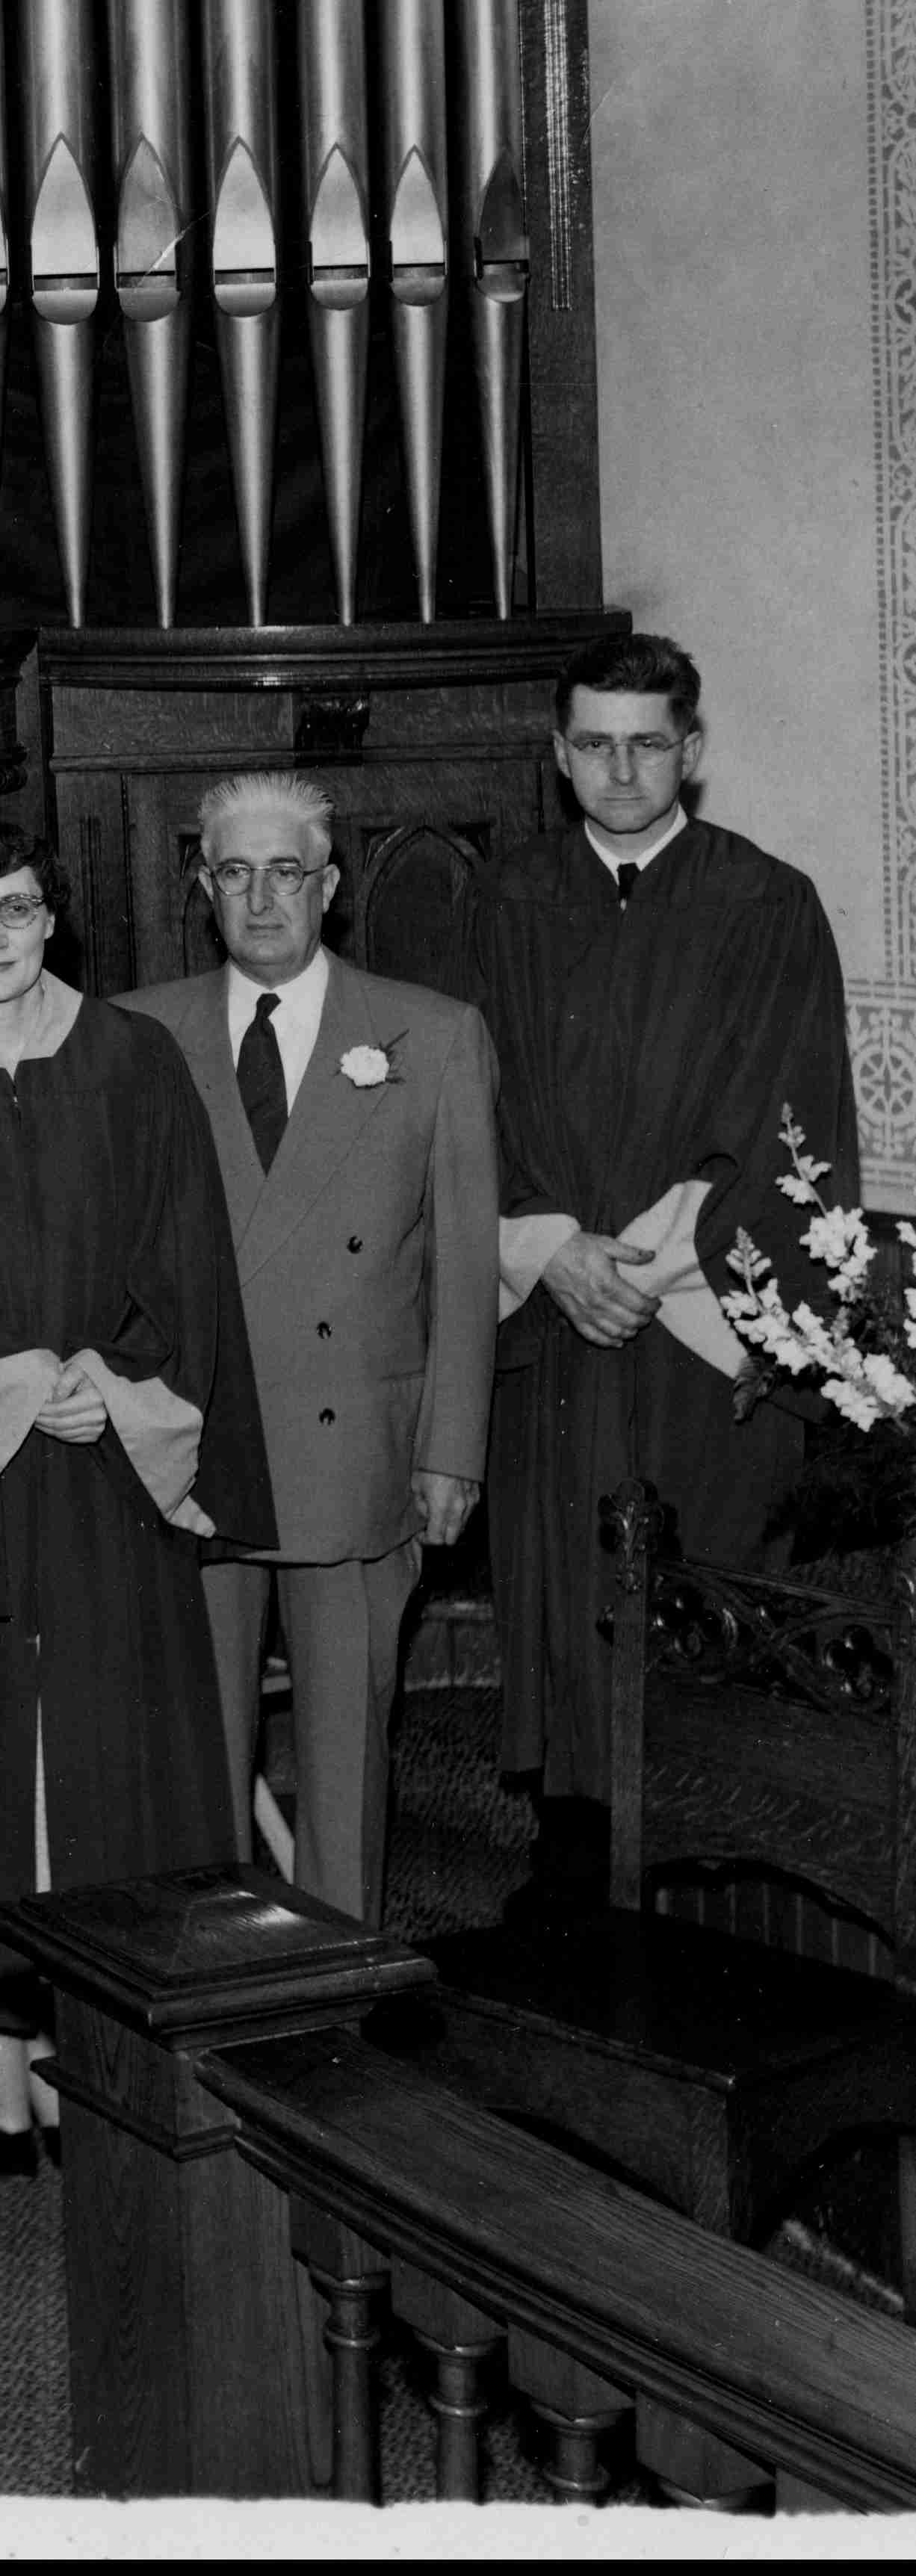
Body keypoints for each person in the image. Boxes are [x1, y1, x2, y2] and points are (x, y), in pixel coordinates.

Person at [0, 817, 272, 2168]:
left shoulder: (130, 1056)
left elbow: (188, 1257)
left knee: (113, 1746)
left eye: (13, 909)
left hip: (112, 1458)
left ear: (52, 916)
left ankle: (111, 2047)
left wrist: (111, 1379)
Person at [474, 632, 857, 1883]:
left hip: (696, 1327)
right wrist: (543, 1247)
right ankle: (573, 1879)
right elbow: (454, 1112)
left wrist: (632, 1264)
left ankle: (715, 1887)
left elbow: (790, 1126)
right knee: (567, 1600)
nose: (621, 766)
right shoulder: (501, 900)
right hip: (552, 1314)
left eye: (648, 741)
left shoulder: (766, 902)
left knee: (705, 1590)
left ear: (690, 751)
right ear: (557, 753)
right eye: (594, 741)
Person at [124, 773, 499, 1927]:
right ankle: (207, 2002)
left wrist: (451, 1455)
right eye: (233, 873)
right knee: (197, 1763)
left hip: (357, 1456)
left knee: (345, 1765)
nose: (261, 898)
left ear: (329, 887)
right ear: (202, 889)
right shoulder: (138, 1034)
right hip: (194, 1452)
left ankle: (336, 1998)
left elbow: (463, 1266)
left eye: (286, 871)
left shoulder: (428, 1035)